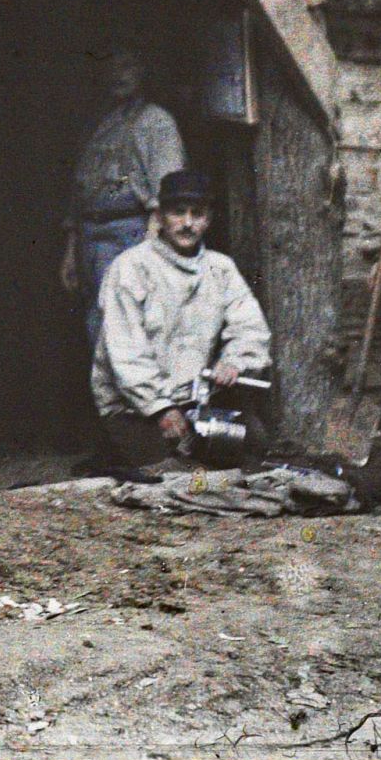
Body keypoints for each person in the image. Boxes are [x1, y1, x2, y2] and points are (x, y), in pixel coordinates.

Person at [91, 170, 273, 468]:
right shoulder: (130, 268)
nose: (188, 223)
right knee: (169, 470)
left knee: (253, 448)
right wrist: (160, 408)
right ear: (160, 217)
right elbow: (125, 353)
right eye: (178, 213)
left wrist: (235, 360)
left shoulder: (220, 268)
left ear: (208, 219)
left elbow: (250, 327)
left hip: (193, 403)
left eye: (197, 214)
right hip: (135, 407)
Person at [62, 45, 185, 345]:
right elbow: (80, 191)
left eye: (128, 66)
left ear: (143, 71)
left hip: (131, 234)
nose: (120, 75)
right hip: (92, 238)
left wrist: (151, 254)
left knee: (129, 329)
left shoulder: (156, 122)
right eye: (113, 67)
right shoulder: (97, 123)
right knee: (99, 326)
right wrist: (70, 251)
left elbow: (168, 195)